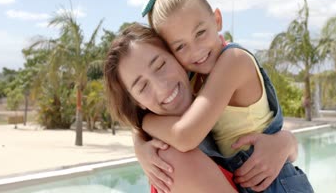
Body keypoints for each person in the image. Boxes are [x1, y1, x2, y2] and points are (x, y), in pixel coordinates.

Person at [137, 0, 313, 193]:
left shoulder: (234, 61)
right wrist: (140, 146)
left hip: (275, 184)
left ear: (217, 20)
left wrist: (143, 122)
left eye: (200, 32)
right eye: (180, 46)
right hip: (246, 180)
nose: (196, 51)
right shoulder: (194, 77)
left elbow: (186, 136)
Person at [105, 24, 299, 193]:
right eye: (143, 87)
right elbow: (184, 136)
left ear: (176, 57)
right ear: (137, 101)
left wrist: (285, 141)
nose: (161, 86)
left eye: (161, 65)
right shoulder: (172, 157)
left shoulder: (211, 108)